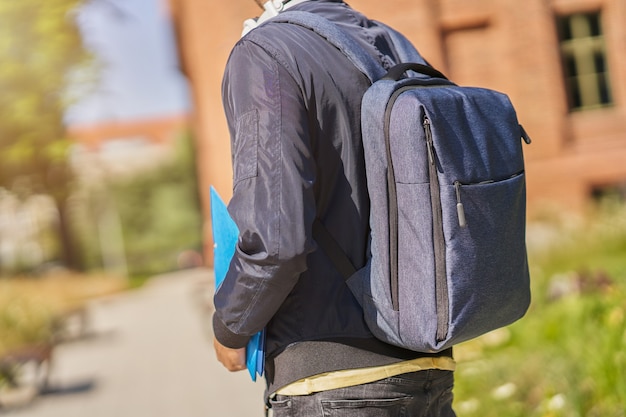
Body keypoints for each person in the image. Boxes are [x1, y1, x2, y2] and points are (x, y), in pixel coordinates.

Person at [213, 1, 457, 415]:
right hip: (428, 366)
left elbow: (276, 241)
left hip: (332, 380)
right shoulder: (395, 44)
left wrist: (230, 326)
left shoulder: (266, 51)